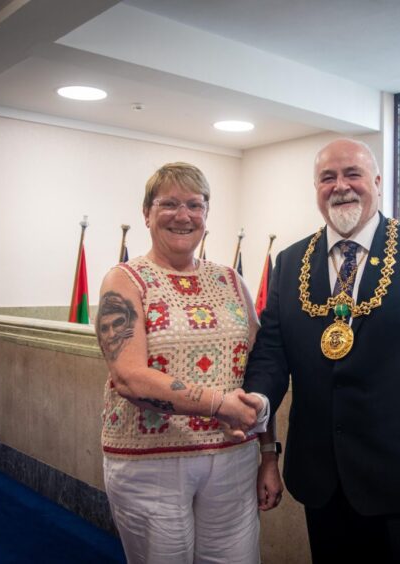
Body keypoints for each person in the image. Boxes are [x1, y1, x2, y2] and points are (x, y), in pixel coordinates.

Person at [241, 139, 400, 563]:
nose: (340, 186)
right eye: (327, 177)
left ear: (376, 181)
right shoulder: (291, 261)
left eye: (352, 174)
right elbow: (272, 350)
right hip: (320, 475)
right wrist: (259, 399)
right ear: (316, 187)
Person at [96, 162, 283, 564]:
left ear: (206, 216)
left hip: (234, 460)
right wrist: (217, 404)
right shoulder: (125, 280)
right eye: (169, 204)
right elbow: (128, 377)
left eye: (195, 205)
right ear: (146, 213)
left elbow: (257, 370)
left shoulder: (231, 281)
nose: (183, 216)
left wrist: (269, 455)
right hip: (152, 463)